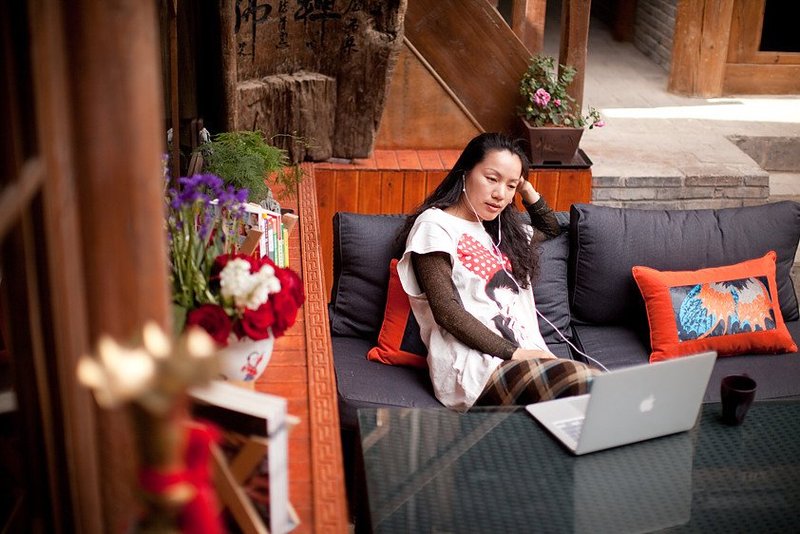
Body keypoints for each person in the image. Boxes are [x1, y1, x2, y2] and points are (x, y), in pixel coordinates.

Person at [396, 132, 600, 412]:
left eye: (510, 186)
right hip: (474, 367)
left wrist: (525, 189)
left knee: (596, 396)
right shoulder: (435, 226)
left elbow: (550, 227)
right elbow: (447, 312)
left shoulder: (503, 232)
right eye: (492, 179)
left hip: (528, 361)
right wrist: (515, 353)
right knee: (588, 384)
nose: (500, 195)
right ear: (465, 172)